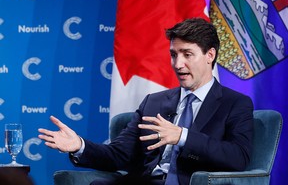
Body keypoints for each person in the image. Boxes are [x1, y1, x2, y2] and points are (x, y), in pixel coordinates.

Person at [38, 18, 254, 185]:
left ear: (210, 55)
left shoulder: (234, 103)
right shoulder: (154, 102)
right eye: (173, 54)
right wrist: (79, 146)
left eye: (187, 54)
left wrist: (183, 136)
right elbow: (118, 155)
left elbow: (238, 157)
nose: (178, 64)